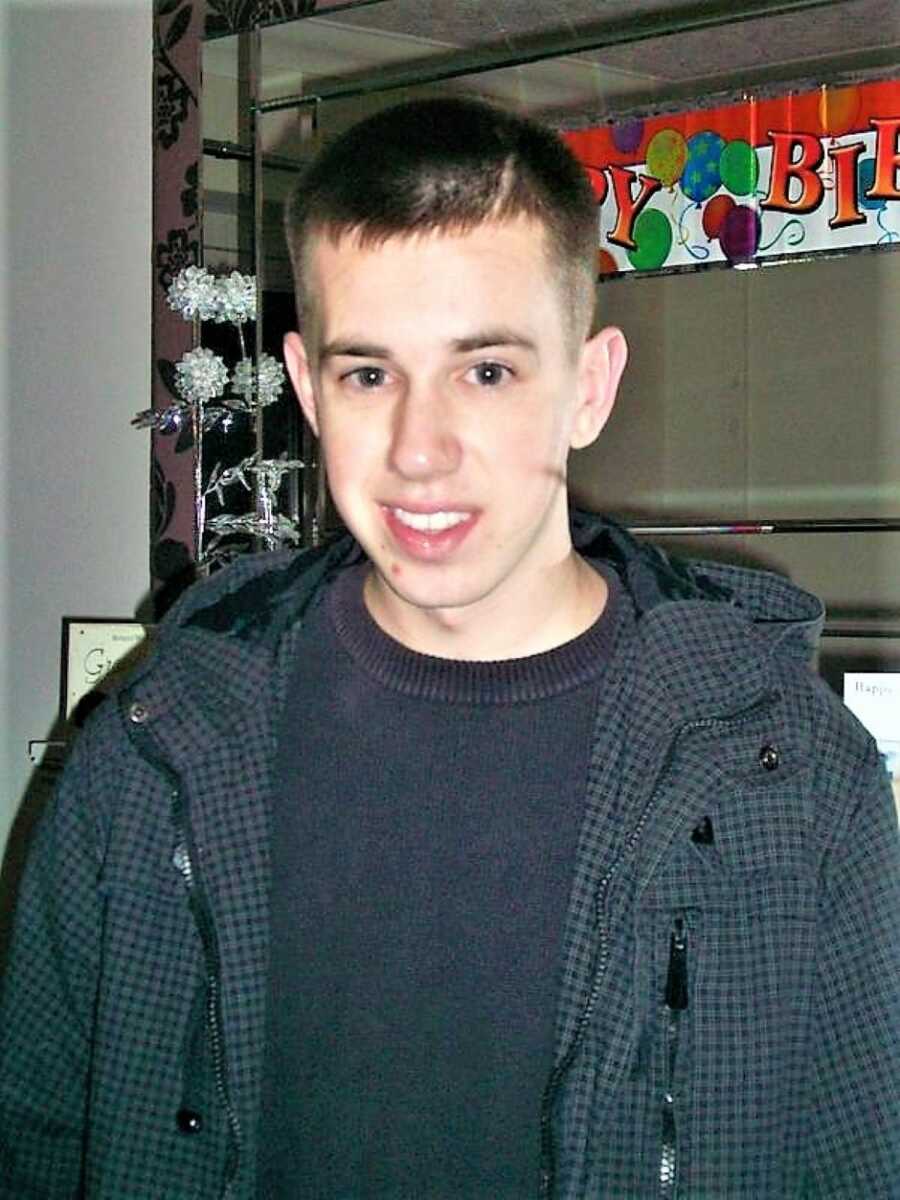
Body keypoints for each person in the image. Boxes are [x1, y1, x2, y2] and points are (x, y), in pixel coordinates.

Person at [1, 96, 899, 1200]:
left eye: (486, 371)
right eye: (368, 374)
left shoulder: (795, 779)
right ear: (304, 388)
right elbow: (39, 1131)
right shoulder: (161, 744)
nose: (419, 453)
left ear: (590, 384)